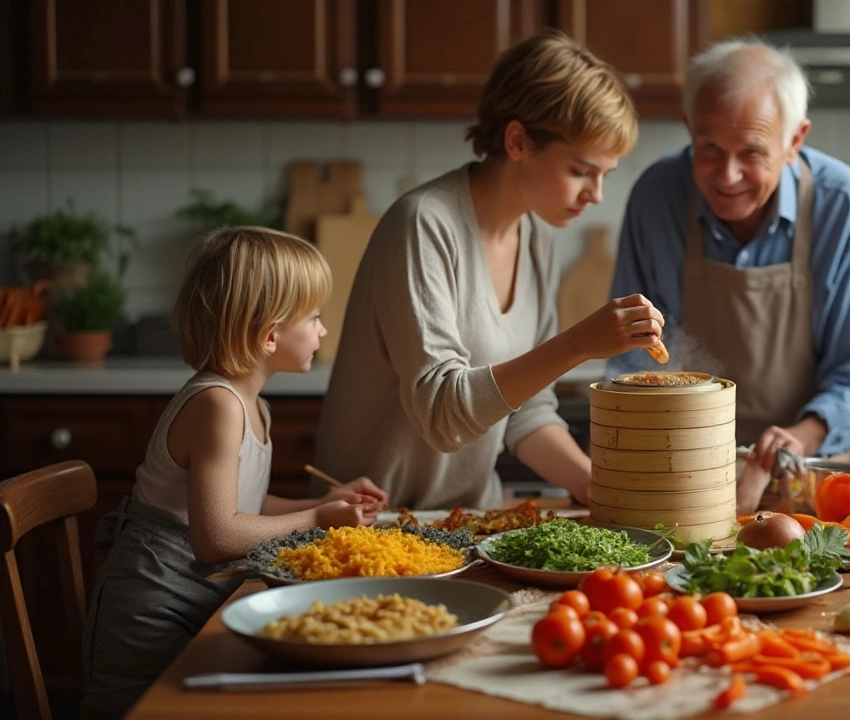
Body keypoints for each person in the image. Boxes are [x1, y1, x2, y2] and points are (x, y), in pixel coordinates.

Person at [314, 30, 659, 510]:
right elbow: (442, 416)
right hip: (373, 526)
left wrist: (596, 485)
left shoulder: (535, 237)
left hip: (466, 521)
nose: (596, 195)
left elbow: (526, 412)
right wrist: (579, 344)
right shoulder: (423, 225)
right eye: (581, 171)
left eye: (606, 175)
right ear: (517, 141)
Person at [82, 227, 388, 718]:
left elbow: (244, 506)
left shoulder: (255, 407)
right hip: (152, 614)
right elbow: (217, 535)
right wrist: (317, 521)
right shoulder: (216, 405)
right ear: (269, 334)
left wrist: (327, 503)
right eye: (314, 317)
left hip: (203, 601)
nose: (323, 330)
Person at [606, 38, 850, 512]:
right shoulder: (656, 197)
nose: (728, 175)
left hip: (806, 481)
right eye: (710, 148)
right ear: (688, 128)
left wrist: (800, 437)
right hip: (681, 473)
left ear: (794, 141)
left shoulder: (845, 209)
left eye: (752, 153)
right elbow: (634, 355)